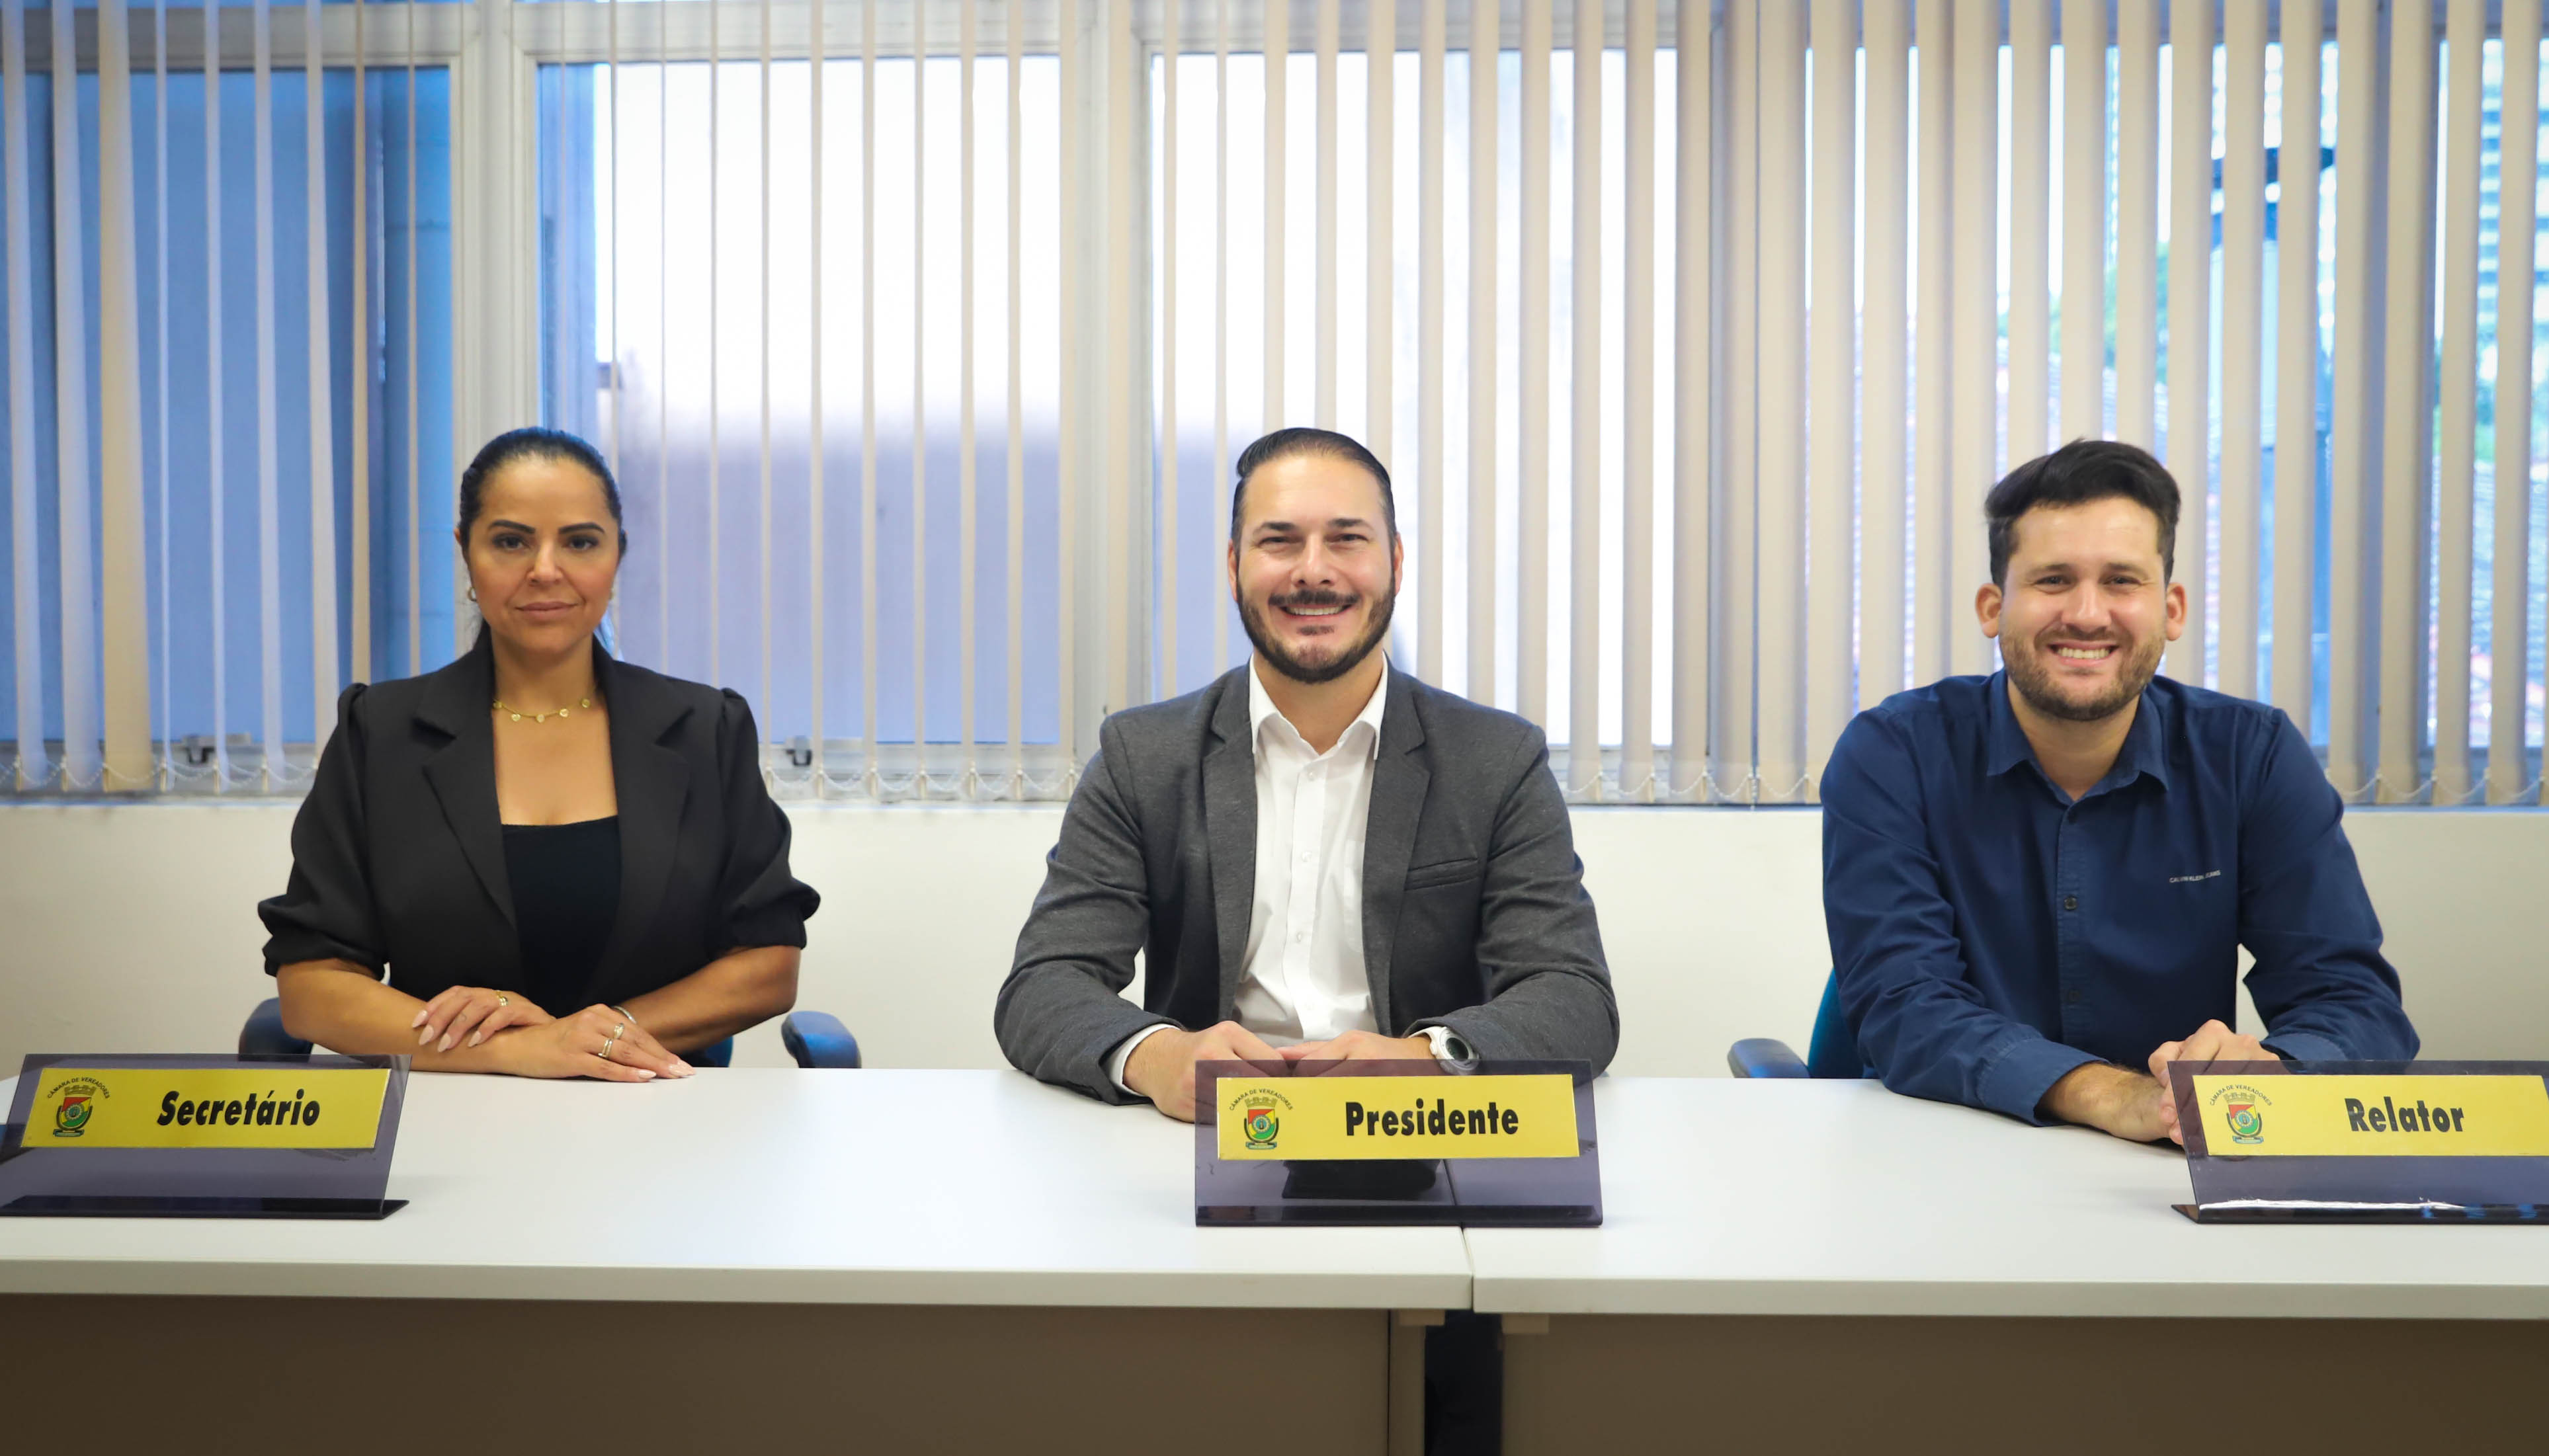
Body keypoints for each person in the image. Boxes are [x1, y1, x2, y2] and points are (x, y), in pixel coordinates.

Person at [997, 425, 1614, 1453]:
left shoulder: (1493, 759)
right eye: (1278, 540)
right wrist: (1157, 1054)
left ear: (1394, 561)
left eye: (1346, 539)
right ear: (1233, 564)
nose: (1313, 571)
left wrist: (1427, 1056)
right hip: (1206, 1171)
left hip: (1424, 1173)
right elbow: (1045, 983)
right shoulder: (1144, 755)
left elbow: (1571, 996)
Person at [1821, 439, 2417, 1143]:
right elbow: (1904, 1006)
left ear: (2171, 609)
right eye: (2052, 580)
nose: (2086, 614)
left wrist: (2269, 1076)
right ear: (1992, 607)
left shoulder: (2250, 756)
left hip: (2166, 1164)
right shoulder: (1893, 754)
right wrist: (2113, 1096)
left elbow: (2352, 1001)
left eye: (2120, 581)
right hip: (1937, 1150)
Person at [259, 428, 819, 1080]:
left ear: (617, 554)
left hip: (657, 1108)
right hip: (451, 1105)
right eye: (511, 542)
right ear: (466, 552)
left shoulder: (704, 730)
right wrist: (513, 1051)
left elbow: (767, 963)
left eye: (580, 542)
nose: (546, 570)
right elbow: (312, 985)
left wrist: (598, 1038)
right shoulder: (379, 733)